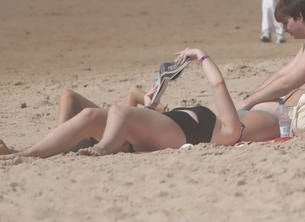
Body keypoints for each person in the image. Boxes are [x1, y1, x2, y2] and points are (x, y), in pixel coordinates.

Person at [0, 48, 278, 158]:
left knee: (121, 110)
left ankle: (103, 148)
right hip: (155, 131)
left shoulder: (231, 131)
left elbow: (218, 85)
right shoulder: (226, 124)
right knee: (88, 115)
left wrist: (201, 56)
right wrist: (152, 99)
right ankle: (23, 154)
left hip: (172, 133)